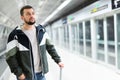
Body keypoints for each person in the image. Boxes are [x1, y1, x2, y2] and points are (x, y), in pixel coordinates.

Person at [5, 5, 64, 80]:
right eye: (28, 14)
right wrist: (19, 73)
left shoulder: (41, 31)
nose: (31, 16)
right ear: (22, 17)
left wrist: (58, 60)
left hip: (40, 74)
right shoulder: (15, 35)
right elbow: (10, 56)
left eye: (33, 13)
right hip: (25, 76)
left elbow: (50, 47)